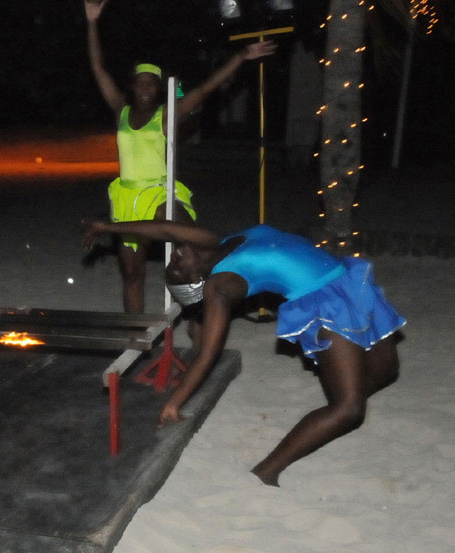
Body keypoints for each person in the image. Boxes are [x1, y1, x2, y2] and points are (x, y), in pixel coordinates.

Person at [84, 220, 406, 486]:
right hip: (324, 303)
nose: (176, 254)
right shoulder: (220, 286)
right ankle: (266, 471)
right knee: (348, 409)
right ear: (197, 279)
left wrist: (108, 227)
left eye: (173, 259)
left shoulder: (216, 241)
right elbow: (209, 354)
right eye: (177, 264)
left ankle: (334, 407)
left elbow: (166, 231)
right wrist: (174, 402)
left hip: (345, 281)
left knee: (386, 369)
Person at [84, 0, 276, 314]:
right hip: (127, 196)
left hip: (159, 191)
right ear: (132, 87)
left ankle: (219, 296)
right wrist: (92, 21)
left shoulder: (168, 113)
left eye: (151, 83)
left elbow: (205, 90)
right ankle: (136, 336)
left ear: (158, 88)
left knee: (195, 244)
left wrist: (242, 56)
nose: (145, 87)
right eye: (140, 82)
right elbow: (97, 68)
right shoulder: (121, 108)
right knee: (132, 274)